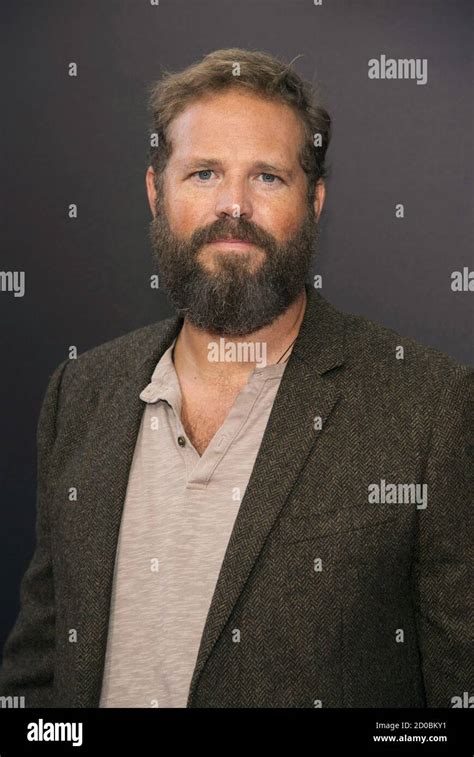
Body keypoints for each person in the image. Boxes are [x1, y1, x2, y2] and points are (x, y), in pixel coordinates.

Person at [0, 48, 472, 709]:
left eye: (268, 179)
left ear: (315, 202)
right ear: (155, 192)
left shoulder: (431, 408)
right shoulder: (79, 393)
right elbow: (38, 665)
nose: (234, 206)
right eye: (202, 173)